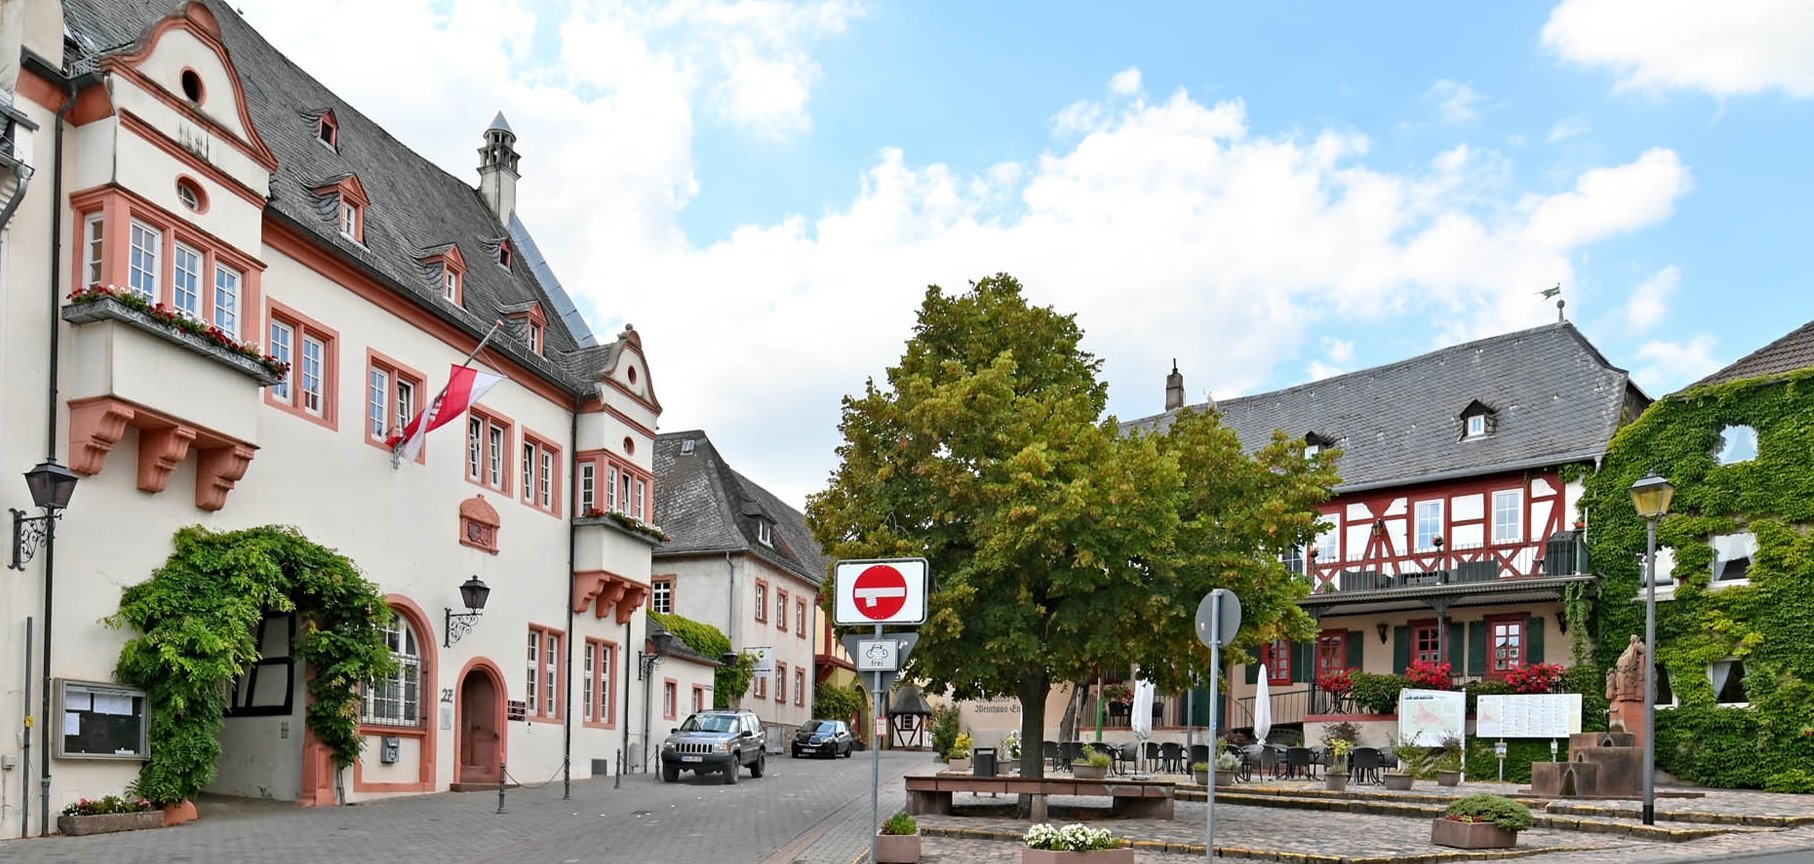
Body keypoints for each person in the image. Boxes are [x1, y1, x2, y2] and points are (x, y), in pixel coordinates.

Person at [1605, 634, 1645, 703]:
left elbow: (1644, 650)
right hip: (1625, 667)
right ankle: (1620, 693)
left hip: (1631, 667)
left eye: (1633, 638)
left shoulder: (1639, 644)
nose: (1631, 640)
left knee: (1624, 676)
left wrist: (1636, 645)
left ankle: (1626, 694)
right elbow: (1625, 652)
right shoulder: (1630, 646)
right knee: (1620, 676)